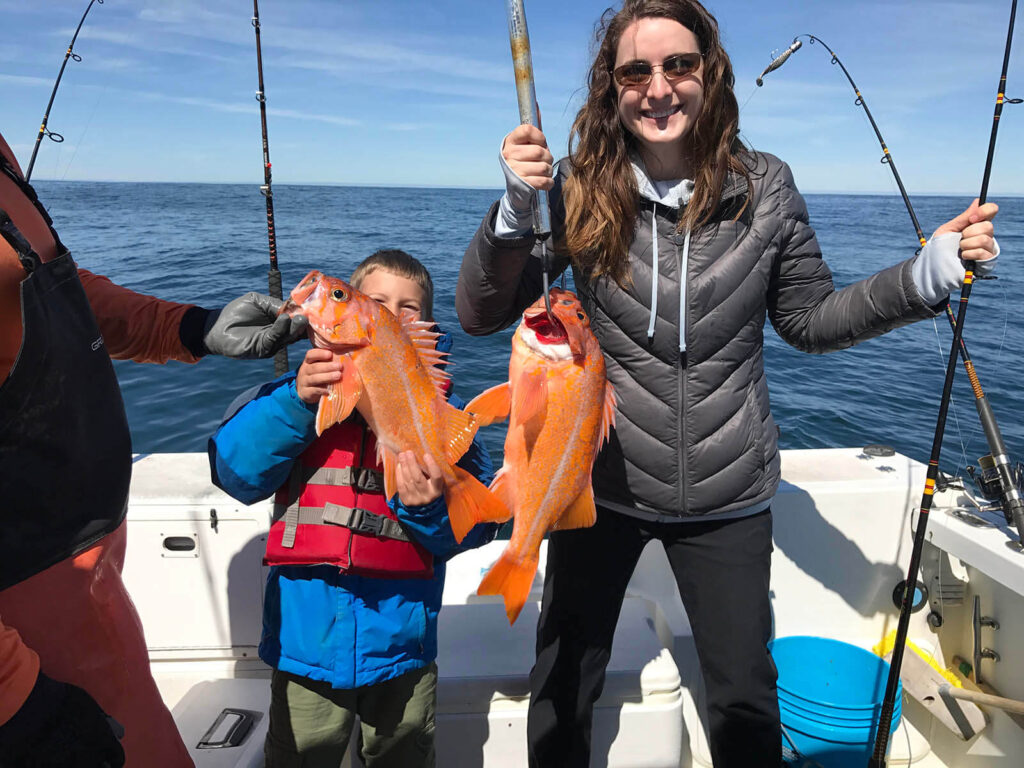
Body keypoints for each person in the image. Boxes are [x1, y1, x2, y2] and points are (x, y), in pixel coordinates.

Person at [454, 2, 999, 766]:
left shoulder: (766, 188)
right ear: (611, 89)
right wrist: (513, 212)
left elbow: (810, 318)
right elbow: (479, 314)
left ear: (710, 73)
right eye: (635, 71)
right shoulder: (575, 186)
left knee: (744, 694)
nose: (659, 87)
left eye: (679, 65)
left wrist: (922, 277)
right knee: (563, 677)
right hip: (596, 483)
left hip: (728, 495)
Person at [0, 128, 308, 767]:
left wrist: (189, 327)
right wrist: (20, 708)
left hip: (89, 581)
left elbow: (51, 286)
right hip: (21, 635)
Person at [209, 249, 499, 768]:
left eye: (410, 308)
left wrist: (430, 509)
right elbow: (234, 473)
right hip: (306, 650)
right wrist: (296, 401)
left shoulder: (443, 415)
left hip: (402, 650)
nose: (394, 313)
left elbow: (482, 526)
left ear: (426, 326)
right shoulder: (292, 397)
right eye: (378, 300)